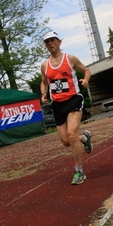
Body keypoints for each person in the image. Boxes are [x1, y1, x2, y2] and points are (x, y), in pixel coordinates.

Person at [40, 31, 93, 185]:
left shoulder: (70, 59)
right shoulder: (45, 65)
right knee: (65, 141)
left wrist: (86, 80)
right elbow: (44, 82)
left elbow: (86, 70)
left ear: (59, 42)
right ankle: (85, 138)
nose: (50, 44)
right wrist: (44, 94)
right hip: (57, 104)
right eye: (47, 42)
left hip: (73, 100)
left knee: (71, 135)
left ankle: (79, 171)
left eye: (52, 40)